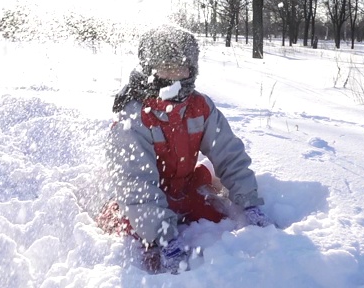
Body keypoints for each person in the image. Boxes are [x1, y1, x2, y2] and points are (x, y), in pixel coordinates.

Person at [97, 24, 271, 274]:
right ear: (150, 69)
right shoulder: (134, 118)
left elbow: (228, 153)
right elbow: (136, 182)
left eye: (181, 66)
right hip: (141, 200)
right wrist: (162, 235)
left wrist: (249, 201)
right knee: (135, 237)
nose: (175, 74)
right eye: (166, 67)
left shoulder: (200, 107)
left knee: (216, 218)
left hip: (184, 187)